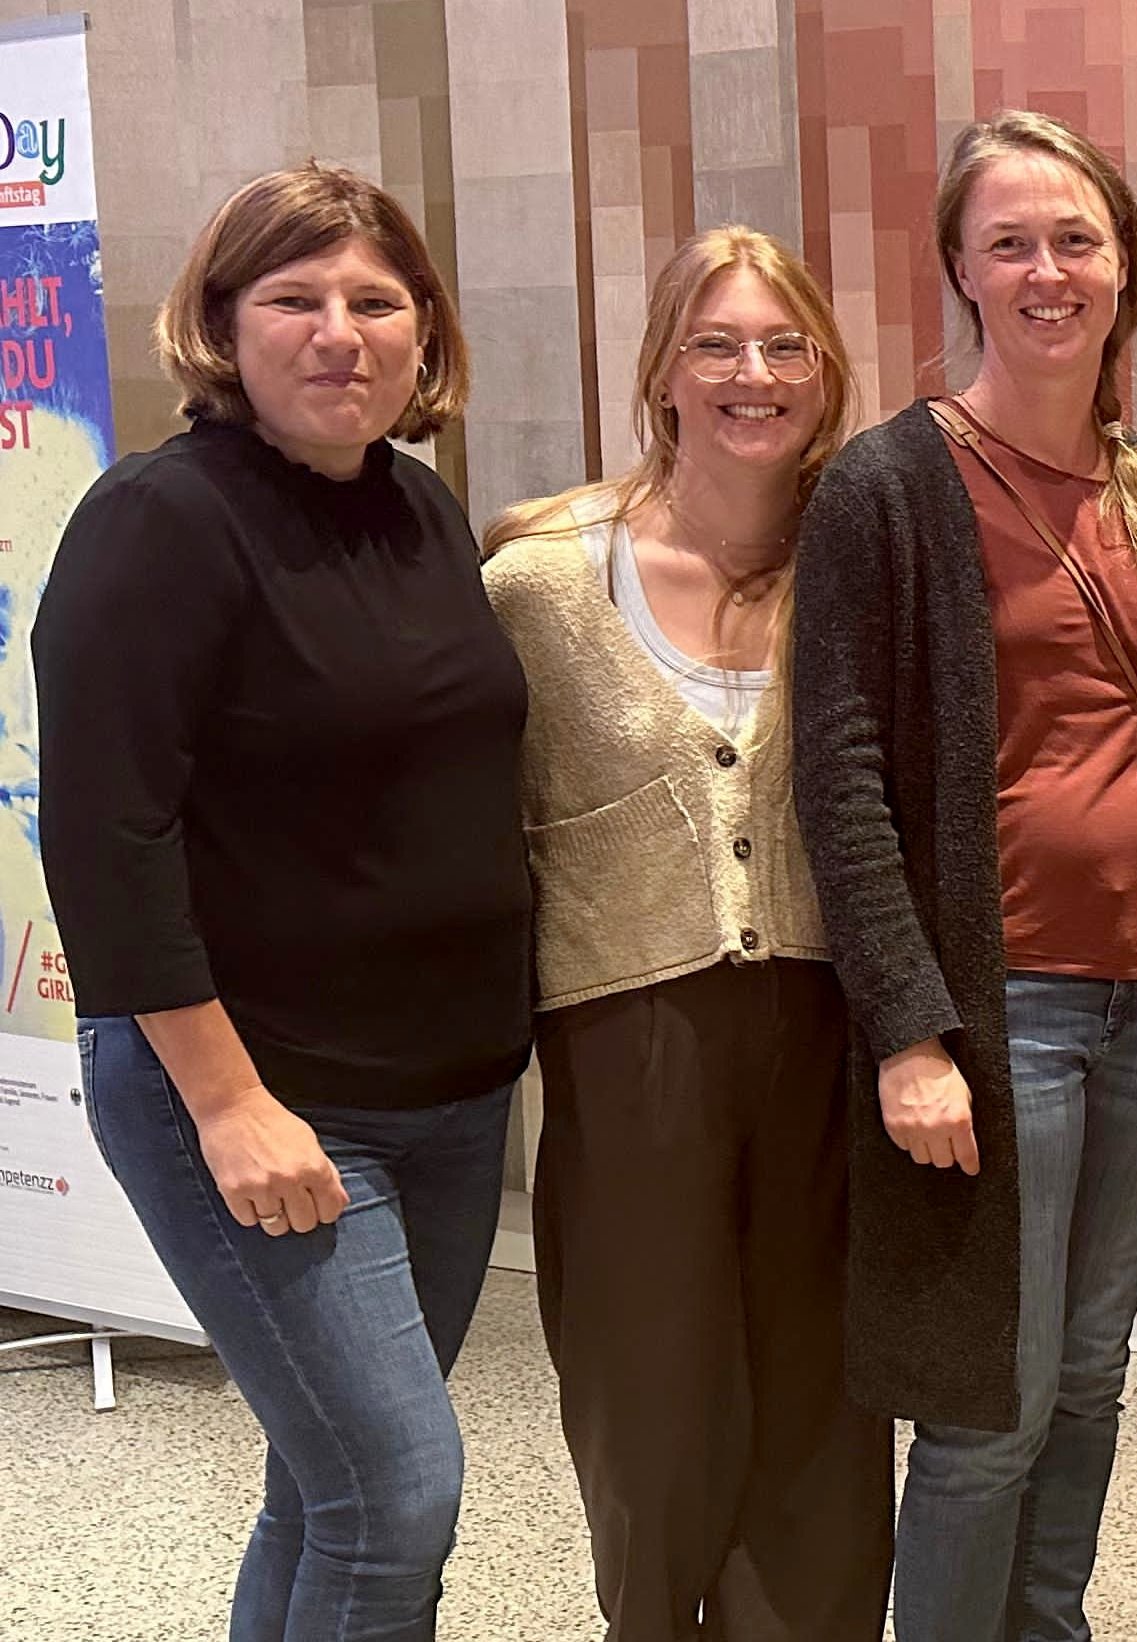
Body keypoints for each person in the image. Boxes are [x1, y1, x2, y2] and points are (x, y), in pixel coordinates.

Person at [789, 109, 1137, 1642]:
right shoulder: (886, 485)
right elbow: (842, 774)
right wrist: (909, 1029)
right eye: (1011, 241)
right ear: (960, 271)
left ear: (1123, 268)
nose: (1047, 269)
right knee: (987, 1402)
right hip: (1006, 1014)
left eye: (1077, 238)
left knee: (1086, 1373)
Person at [35, 162, 522, 1641]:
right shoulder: (157, 523)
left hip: (446, 1093)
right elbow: (107, 842)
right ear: (222, 327)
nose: (339, 333)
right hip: (254, 1096)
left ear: (423, 334)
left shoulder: (423, 513)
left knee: (330, 1495)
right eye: (294, 300)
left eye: (376, 301)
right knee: (396, 1494)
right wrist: (231, 1104)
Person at [481, 226, 883, 1641]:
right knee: (651, 1414)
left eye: (785, 345)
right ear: (662, 370)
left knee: (824, 1420)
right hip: (623, 1038)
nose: (752, 373)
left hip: (829, 1031)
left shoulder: (866, 565)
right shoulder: (537, 585)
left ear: (827, 374)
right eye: (716, 342)